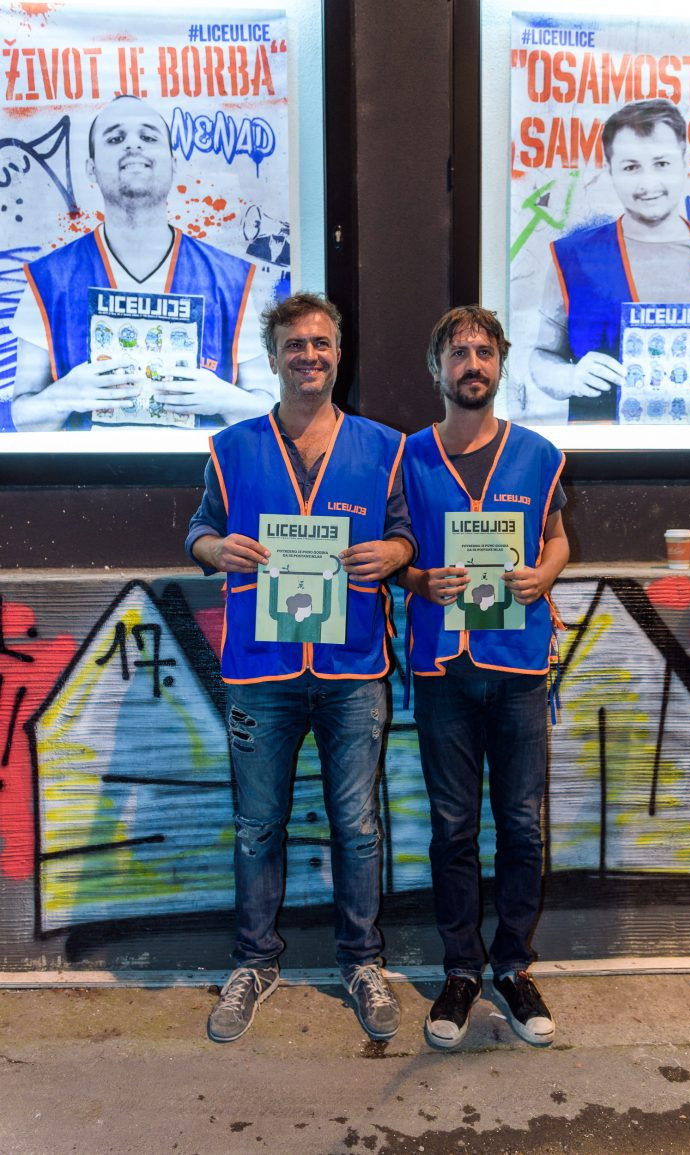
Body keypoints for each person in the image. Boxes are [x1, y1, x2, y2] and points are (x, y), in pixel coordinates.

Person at [186, 291, 415, 1044]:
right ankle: (255, 963)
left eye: (321, 343)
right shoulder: (232, 447)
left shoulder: (384, 447)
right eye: (294, 345)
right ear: (273, 356)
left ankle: (362, 961)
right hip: (261, 668)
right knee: (258, 827)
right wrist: (217, 549)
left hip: (352, 667)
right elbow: (199, 530)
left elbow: (406, 534)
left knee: (357, 826)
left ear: (338, 354)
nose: (308, 356)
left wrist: (395, 553)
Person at [399, 305, 569, 1050]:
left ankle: (513, 964)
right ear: (436, 369)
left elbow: (558, 539)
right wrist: (419, 579)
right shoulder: (407, 457)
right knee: (453, 826)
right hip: (443, 667)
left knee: (523, 825)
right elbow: (393, 553)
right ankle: (462, 968)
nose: (473, 364)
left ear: (500, 363)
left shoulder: (537, 454)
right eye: (458, 353)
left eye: (484, 352)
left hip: (520, 665)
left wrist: (544, 574)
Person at [11, 95, 276, 432]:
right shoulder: (49, 279)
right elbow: (23, 418)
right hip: (91, 466)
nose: (133, 145)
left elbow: (268, 411)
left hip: (199, 466)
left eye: (149, 137)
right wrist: (66, 395)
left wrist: (222, 398)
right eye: (115, 138)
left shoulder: (229, 278)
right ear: (91, 167)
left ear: (173, 163)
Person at [530, 99, 690, 423]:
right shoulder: (572, 258)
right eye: (631, 167)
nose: (648, 184)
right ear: (609, 170)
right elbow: (543, 355)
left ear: (686, 162)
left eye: (662, 163)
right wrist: (569, 378)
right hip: (605, 448)